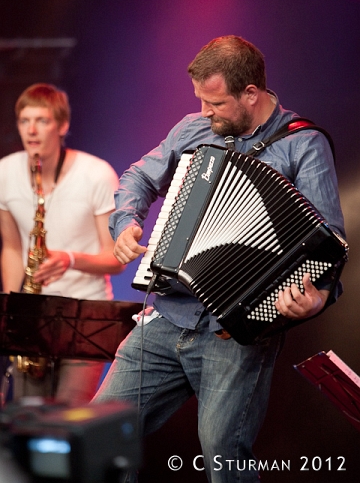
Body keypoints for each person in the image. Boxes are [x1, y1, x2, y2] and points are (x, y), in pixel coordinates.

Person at [93, 36, 345, 482]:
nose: (206, 113)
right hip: (167, 314)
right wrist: (126, 223)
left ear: (252, 93)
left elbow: (328, 245)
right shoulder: (193, 129)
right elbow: (137, 176)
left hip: (233, 331)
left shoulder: (303, 145)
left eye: (217, 103)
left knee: (224, 458)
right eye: (202, 102)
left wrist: (317, 298)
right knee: (100, 436)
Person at [0, 83, 125, 403]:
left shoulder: (96, 174)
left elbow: (117, 259)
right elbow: (12, 248)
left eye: (41, 120)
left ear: (63, 125)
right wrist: (15, 314)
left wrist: (69, 259)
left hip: (86, 316)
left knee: (68, 421)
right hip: (34, 319)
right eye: (24, 121)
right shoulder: (5, 172)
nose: (31, 130)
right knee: (27, 419)